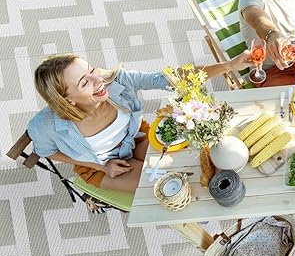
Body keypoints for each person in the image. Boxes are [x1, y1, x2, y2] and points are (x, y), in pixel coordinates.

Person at [27, 52, 251, 196]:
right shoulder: (44, 126)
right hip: (100, 165)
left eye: (92, 70)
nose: (98, 80)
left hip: (135, 138)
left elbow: (169, 79)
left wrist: (229, 65)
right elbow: (46, 151)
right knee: (168, 189)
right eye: (85, 82)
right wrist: (102, 167)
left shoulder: (117, 81)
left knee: (189, 163)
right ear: (67, 100)